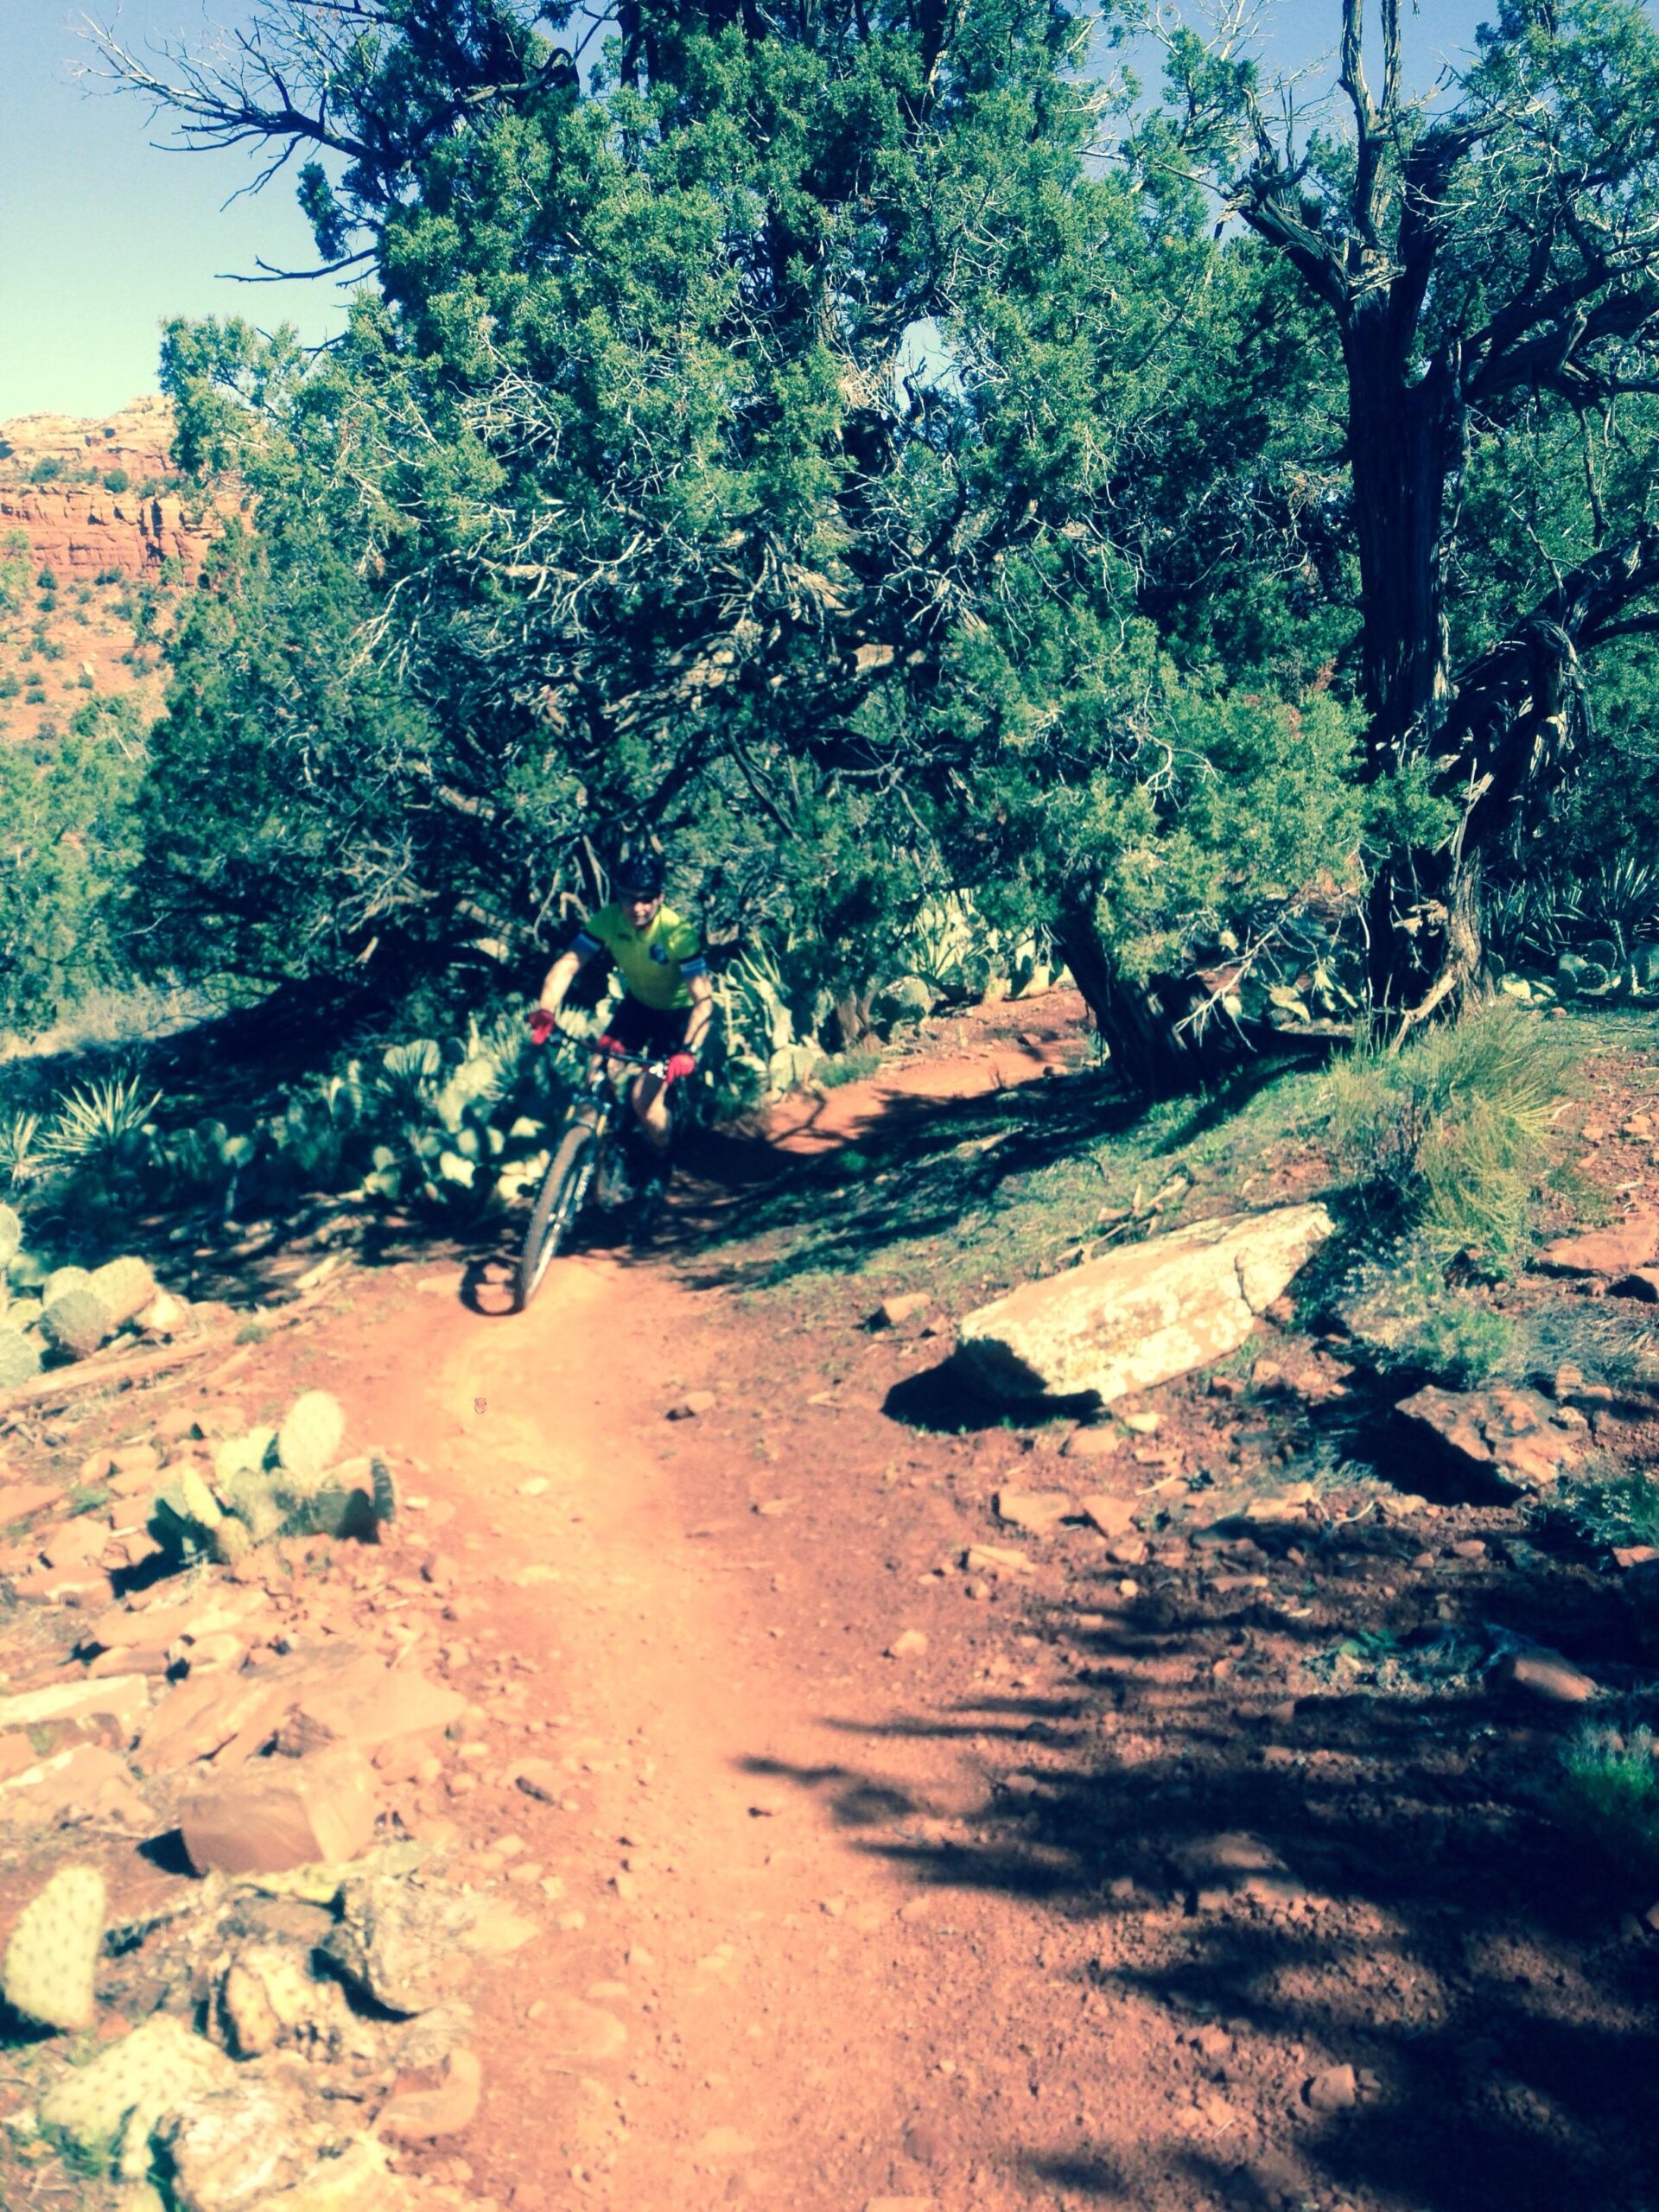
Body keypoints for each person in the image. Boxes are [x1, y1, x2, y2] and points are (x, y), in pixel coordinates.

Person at [529, 852, 714, 1203]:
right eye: (629, 897)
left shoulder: (678, 933)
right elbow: (568, 965)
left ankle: (662, 1160)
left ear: (660, 897)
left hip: (676, 1018)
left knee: (644, 1099)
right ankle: (585, 1165)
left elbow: (704, 999)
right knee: (594, 1076)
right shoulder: (608, 920)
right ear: (620, 896)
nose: (638, 907)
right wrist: (546, 1010)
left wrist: (687, 1051)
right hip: (637, 1008)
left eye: (646, 899)